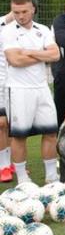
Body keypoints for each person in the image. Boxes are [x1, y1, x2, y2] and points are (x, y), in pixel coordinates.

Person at [2, 0, 61, 184]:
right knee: (20, 136)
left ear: (33, 9)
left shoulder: (43, 30)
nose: (20, 16)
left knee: (51, 132)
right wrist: (43, 55)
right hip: (18, 90)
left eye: (24, 11)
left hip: (42, 88)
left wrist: (30, 52)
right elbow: (15, 61)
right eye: (16, 12)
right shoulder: (7, 32)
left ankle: (51, 177)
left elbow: (56, 54)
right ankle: (22, 179)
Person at [0, 10, 12, 182]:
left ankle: (10, 163)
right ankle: (3, 166)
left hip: (15, 83)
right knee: (2, 124)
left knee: (12, 123)